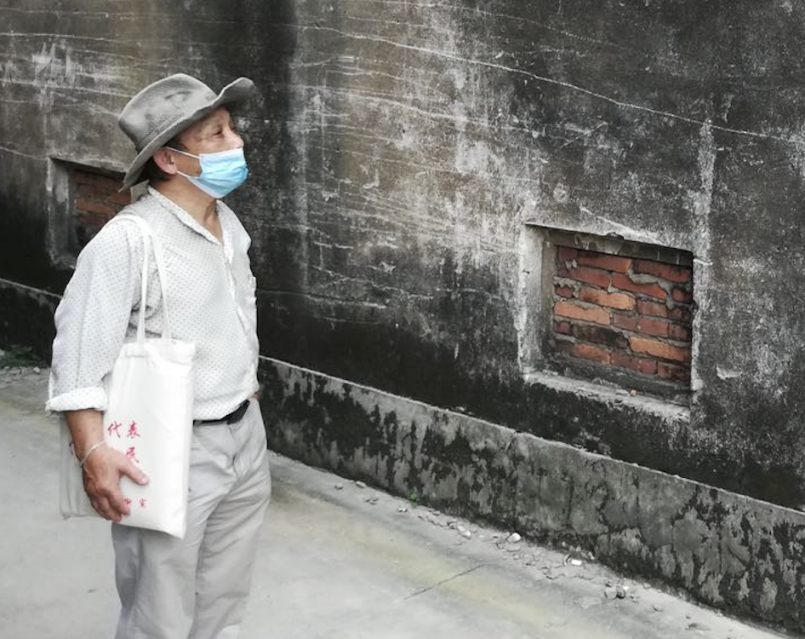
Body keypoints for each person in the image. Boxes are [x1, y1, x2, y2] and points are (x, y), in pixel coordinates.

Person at [46, 73, 271, 639]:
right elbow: (77, 359)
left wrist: (244, 390)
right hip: (170, 449)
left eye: (232, 128)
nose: (237, 142)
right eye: (216, 135)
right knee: (159, 614)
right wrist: (93, 452)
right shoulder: (128, 241)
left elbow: (234, 317)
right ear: (169, 160)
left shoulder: (228, 224)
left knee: (224, 601)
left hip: (244, 437)